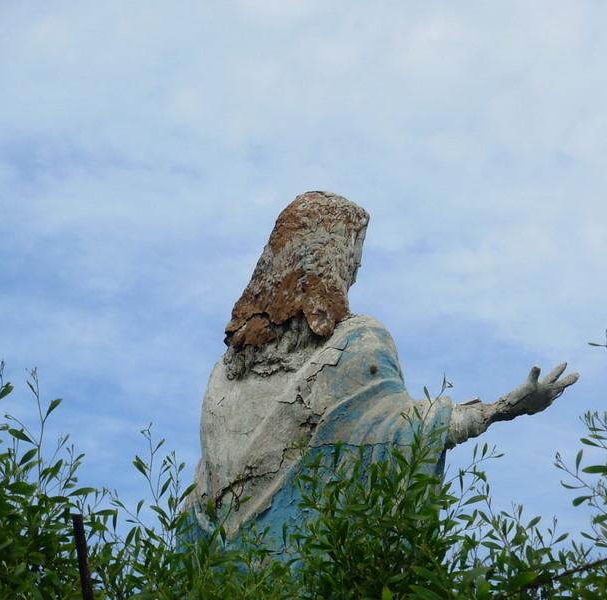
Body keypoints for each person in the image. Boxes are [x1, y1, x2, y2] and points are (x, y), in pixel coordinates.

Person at [185, 191, 578, 546]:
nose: (355, 270)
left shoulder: (223, 373)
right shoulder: (358, 342)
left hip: (206, 569)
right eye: (353, 256)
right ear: (332, 260)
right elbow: (406, 431)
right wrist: (501, 409)